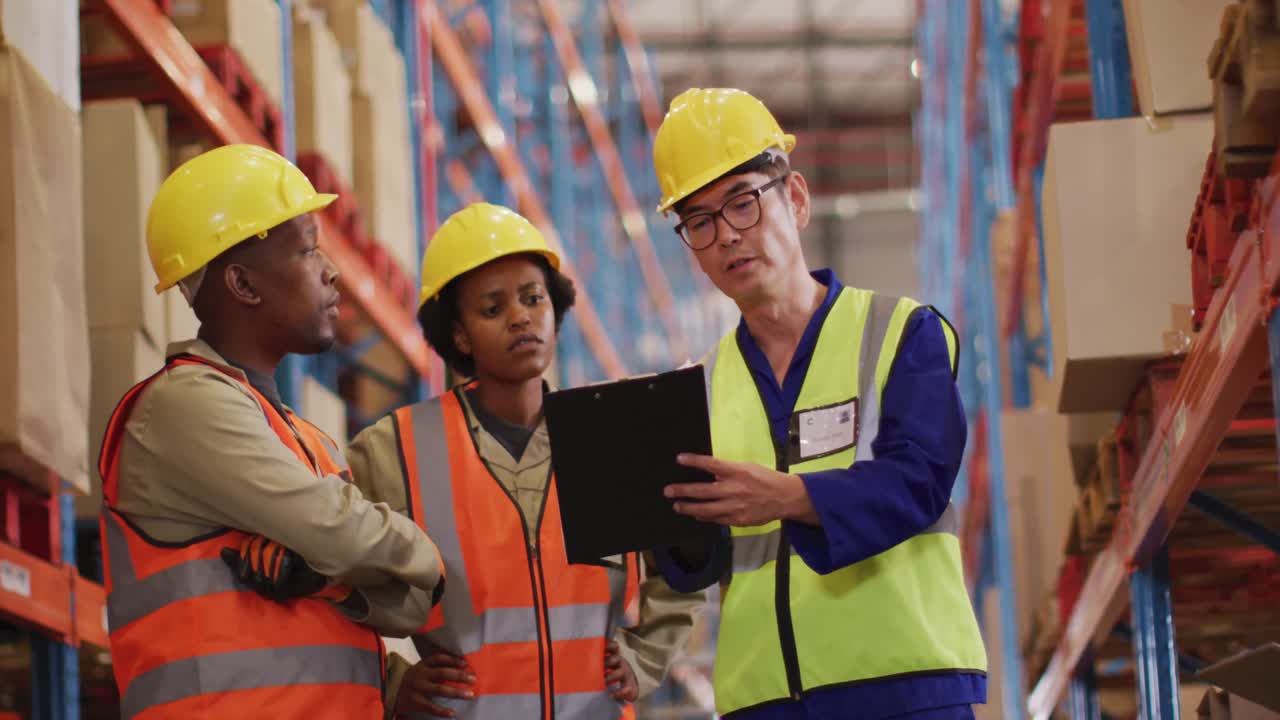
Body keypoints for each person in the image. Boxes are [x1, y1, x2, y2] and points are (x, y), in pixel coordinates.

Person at [651, 88, 987, 719]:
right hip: (766, 700)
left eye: (743, 203)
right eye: (699, 222)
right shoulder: (698, 387)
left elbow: (920, 481)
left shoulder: (902, 333)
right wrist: (660, 518)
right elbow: (699, 567)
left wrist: (788, 498)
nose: (726, 236)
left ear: (797, 199)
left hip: (904, 686)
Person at [98, 144, 444, 719]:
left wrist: (328, 579)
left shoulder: (305, 438)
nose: (331, 270)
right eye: (309, 250)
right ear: (242, 283)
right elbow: (349, 536)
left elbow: (405, 604)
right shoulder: (183, 408)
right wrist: (416, 548)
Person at [344, 202, 708, 719]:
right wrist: (391, 679)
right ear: (460, 334)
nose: (520, 317)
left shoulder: (610, 434)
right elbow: (327, 587)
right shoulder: (395, 450)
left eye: (533, 299)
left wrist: (643, 657)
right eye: (492, 309)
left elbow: (680, 571)